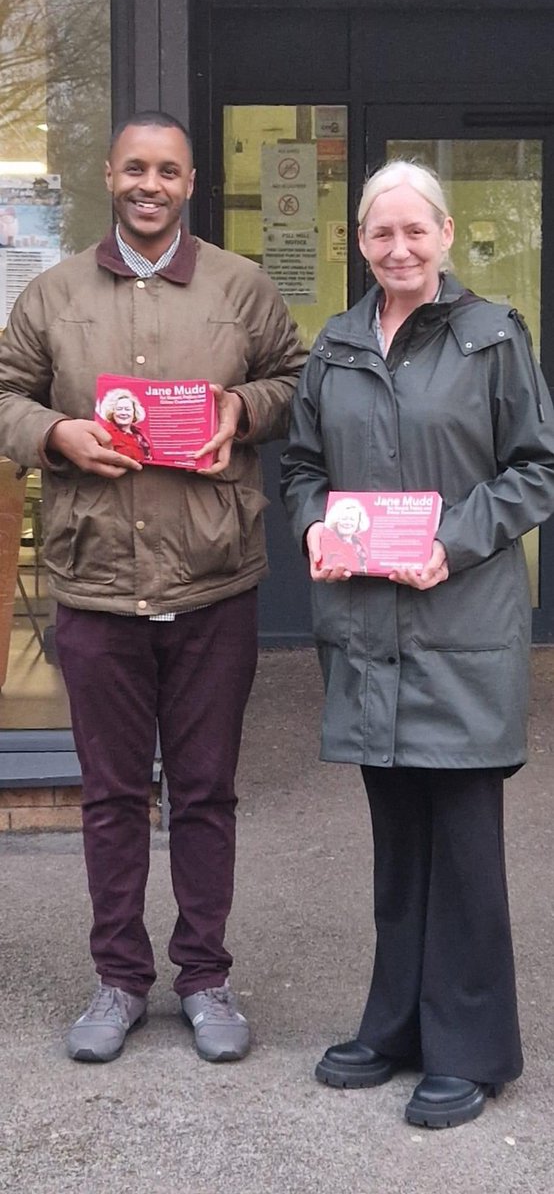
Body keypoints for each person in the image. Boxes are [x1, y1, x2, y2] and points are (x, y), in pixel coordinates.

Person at [0, 110, 306, 1065]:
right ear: (108, 174)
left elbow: (296, 379)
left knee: (207, 795)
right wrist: (53, 435)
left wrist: (241, 408)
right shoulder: (51, 294)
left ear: (190, 182)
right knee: (110, 796)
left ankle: (206, 978)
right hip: (96, 584)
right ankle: (119, 980)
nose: (149, 184)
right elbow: (4, 391)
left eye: (167, 171)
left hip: (215, 580)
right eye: (134, 168)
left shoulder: (241, 286)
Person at [281, 159, 554, 1128]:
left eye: (413, 232)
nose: (396, 249)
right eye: (378, 234)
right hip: (366, 634)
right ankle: (394, 1025)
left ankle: (471, 1050)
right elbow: (302, 469)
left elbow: (534, 472)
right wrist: (312, 522)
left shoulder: (491, 340)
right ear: (358, 243)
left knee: (465, 850)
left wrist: (454, 540)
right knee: (396, 848)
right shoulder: (335, 347)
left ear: (443, 235)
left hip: (458, 627)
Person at [97, 388, 152, 462]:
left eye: (127, 409)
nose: (123, 413)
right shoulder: (105, 433)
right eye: (119, 409)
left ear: (134, 412)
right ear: (112, 411)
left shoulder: (140, 433)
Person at [323, 496, 369, 573]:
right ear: (335, 520)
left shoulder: (360, 544)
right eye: (344, 518)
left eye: (352, 519)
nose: (347, 523)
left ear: (358, 523)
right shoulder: (328, 543)